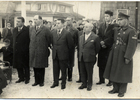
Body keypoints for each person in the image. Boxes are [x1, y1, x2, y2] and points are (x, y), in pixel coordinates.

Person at [103, 12, 137, 97]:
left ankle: (122, 90)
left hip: (123, 54)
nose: (119, 21)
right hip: (115, 53)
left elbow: (132, 46)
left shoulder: (131, 31)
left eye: (121, 20)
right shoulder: (117, 29)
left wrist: (128, 57)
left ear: (126, 20)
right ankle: (115, 88)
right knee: (114, 70)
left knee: (123, 72)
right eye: (118, 20)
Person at [50, 19, 74, 89]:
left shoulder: (67, 33)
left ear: (63, 24)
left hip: (63, 55)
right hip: (55, 54)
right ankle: (55, 82)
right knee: (55, 69)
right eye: (56, 23)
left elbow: (71, 46)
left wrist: (69, 57)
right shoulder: (53, 32)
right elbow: (51, 42)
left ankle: (63, 84)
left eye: (59, 23)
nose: (57, 24)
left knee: (63, 70)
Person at [30, 15, 51, 87]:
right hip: (33, 50)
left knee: (41, 66)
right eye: (34, 19)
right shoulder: (31, 28)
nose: (35, 21)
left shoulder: (46, 29)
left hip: (42, 50)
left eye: (36, 19)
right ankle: (36, 81)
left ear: (41, 20)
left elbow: (49, 39)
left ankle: (41, 81)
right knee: (34, 66)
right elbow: (31, 38)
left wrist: (44, 47)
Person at [78, 23, 100, 91]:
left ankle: (89, 84)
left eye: (87, 27)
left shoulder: (95, 37)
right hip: (82, 57)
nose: (84, 28)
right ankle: (84, 83)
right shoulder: (81, 37)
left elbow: (97, 48)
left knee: (89, 71)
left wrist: (92, 54)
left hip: (89, 57)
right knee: (82, 71)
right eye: (84, 27)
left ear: (91, 29)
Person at [97, 10, 114, 86]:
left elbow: (112, 37)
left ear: (111, 17)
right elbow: (99, 35)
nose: (106, 18)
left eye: (107, 16)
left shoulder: (114, 26)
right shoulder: (101, 25)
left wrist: (105, 43)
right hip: (102, 48)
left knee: (109, 63)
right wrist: (101, 42)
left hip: (109, 48)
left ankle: (110, 81)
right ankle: (101, 79)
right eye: (105, 16)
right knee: (101, 64)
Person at [13, 17, 30, 84]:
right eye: (17, 21)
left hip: (24, 51)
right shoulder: (14, 30)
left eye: (19, 21)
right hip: (16, 51)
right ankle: (21, 77)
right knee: (18, 65)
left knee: (25, 65)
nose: (17, 23)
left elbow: (29, 40)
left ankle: (27, 78)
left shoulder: (27, 30)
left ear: (23, 22)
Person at [64, 17, 78, 81]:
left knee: (70, 63)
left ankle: (70, 76)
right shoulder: (63, 29)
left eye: (69, 20)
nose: (67, 21)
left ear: (72, 21)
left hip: (70, 49)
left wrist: (75, 46)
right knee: (63, 62)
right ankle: (63, 75)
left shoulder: (75, 30)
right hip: (63, 49)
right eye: (66, 20)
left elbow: (76, 40)